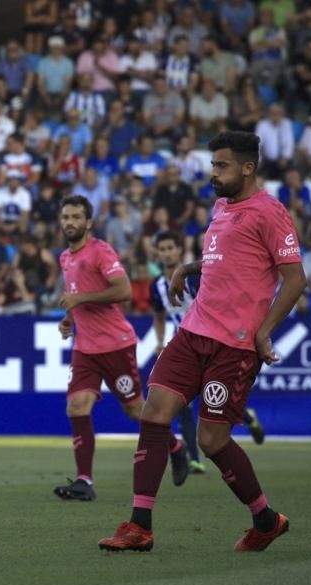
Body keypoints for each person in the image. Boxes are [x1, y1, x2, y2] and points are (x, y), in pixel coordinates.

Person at [99, 131, 306, 553]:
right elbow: (226, 257)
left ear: (248, 168)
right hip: (193, 332)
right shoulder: (221, 208)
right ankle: (140, 526)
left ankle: (265, 520)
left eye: (222, 165)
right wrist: (187, 267)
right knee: (155, 412)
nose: (214, 173)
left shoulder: (270, 212)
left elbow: (295, 278)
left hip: (235, 345)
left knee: (212, 441)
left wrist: (264, 331)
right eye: (213, 165)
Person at [54, 195, 189, 502]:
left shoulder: (100, 251)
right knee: (76, 406)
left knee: (134, 410)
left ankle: (175, 447)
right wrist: (68, 318)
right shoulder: (65, 258)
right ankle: (84, 481)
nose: (70, 222)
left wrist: (81, 300)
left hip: (116, 345)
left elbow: (124, 290)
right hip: (85, 348)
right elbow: (75, 295)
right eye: (66, 217)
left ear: (88, 222)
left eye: (76, 216)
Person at [150, 231, 268, 475]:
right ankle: (194, 459)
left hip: (213, 340)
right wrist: (160, 341)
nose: (167, 253)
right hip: (184, 341)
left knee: (211, 395)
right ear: (157, 253)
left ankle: (247, 416)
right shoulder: (157, 286)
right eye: (161, 249)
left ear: (179, 250)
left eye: (170, 247)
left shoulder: (196, 277)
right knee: (183, 402)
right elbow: (159, 316)